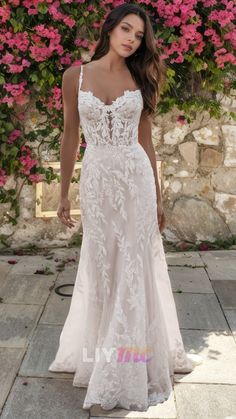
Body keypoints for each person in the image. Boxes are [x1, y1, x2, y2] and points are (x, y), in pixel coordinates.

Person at [48, 3, 202, 412]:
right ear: (110, 28)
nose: (132, 39)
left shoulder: (141, 76)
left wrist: (158, 194)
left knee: (133, 266)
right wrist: (63, 193)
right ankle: (105, 355)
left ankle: (129, 362)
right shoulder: (74, 76)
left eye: (139, 35)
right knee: (104, 267)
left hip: (135, 180)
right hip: (97, 180)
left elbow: (146, 142)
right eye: (127, 30)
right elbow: (69, 136)